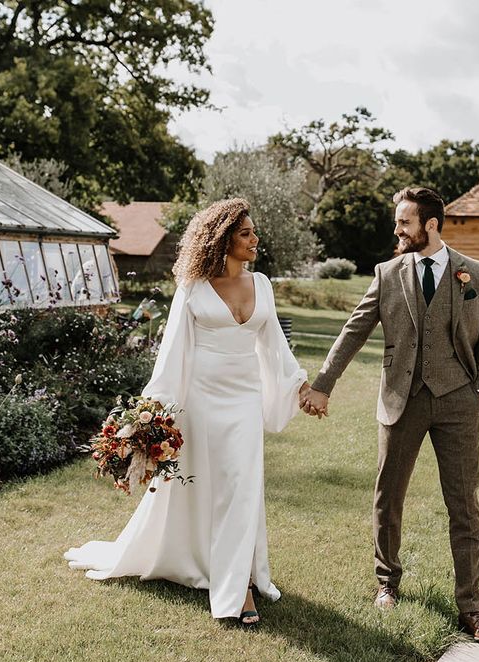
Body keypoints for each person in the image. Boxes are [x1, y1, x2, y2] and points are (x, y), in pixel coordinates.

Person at [65, 198, 310, 627]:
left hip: (245, 401)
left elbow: (275, 347)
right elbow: (172, 352)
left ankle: (240, 586)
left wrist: (301, 386)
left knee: (241, 486)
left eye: (254, 232)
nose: (255, 239)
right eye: (246, 233)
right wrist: (148, 415)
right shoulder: (193, 287)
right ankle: (197, 559)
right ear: (223, 240)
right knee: (199, 487)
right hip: (201, 400)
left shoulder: (263, 285)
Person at [300, 187, 479, 641]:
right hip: (401, 397)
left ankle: (471, 608)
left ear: (430, 225)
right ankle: (386, 583)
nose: (397, 230)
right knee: (388, 496)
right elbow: (355, 328)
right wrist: (322, 385)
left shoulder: (475, 272)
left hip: (458, 400)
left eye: (404, 222)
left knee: (464, 504)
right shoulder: (388, 273)